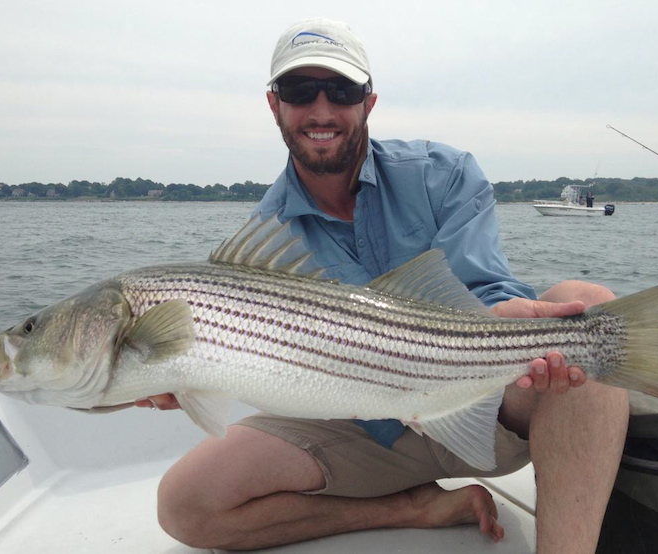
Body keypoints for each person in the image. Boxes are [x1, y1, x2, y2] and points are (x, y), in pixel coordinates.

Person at [143, 18, 629, 553]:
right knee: (184, 504)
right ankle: (415, 506)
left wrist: (497, 320)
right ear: (274, 105)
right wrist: (178, 379)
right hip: (365, 426)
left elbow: (486, 287)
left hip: (481, 396)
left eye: (343, 91)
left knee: (591, 315)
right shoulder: (264, 238)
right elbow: (250, 362)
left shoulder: (442, 174)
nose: (322, 110)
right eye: (300, 91)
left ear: (368, 102)